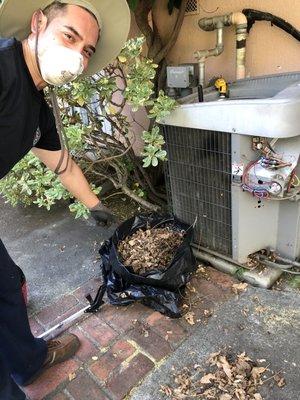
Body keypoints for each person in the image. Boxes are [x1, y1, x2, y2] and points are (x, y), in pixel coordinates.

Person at [0, 0, 130, 398]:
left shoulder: (38, 105)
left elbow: (63, 165)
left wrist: (95, 206)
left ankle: (28, 361)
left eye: (86, 50)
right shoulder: (3, 67)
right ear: (38, 22)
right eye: (69, 36)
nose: (76, 55)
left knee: (6, 286)